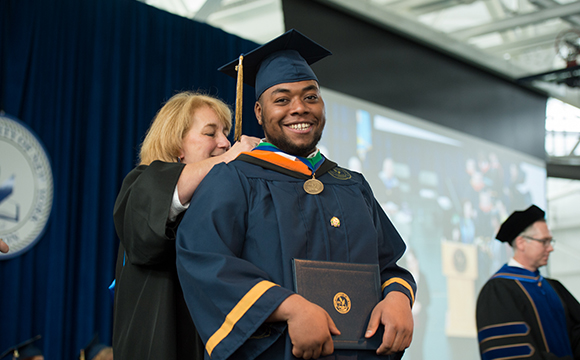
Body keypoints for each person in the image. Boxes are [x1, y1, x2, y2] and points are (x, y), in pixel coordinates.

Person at [176, 29, 416, 360]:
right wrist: (289, 308)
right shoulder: (234, 179)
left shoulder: (352, 184)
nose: (299, 108)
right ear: (259, 113)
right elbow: (205, 262)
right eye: (282, 99)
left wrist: (399, 298)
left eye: (310, 96)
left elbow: (387, 264)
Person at [112, 91, 260, 360]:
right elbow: (167, 193)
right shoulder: (142, 185)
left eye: (226, 133)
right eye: (210, 133)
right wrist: (231, 158)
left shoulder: (221, 203)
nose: (225, 143)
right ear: (176, 145)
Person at [476, 205, 580, 360]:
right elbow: (513, 354)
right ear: (521, 243)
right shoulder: (498, 291)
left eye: (550, 241)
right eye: (544, 241)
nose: (550, 248)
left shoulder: (554, 287)